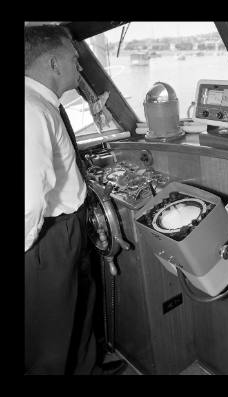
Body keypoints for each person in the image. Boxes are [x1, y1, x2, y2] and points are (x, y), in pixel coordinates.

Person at [25, 24, 125, 375]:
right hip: (47, 239)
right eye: (74, 58)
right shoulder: (30, 111)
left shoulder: (41, 103)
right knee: (50, 336)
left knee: (80, 308)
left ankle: (87, 370)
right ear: (53, 63)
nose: (80, 67)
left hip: (67, 229)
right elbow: (28, 198)